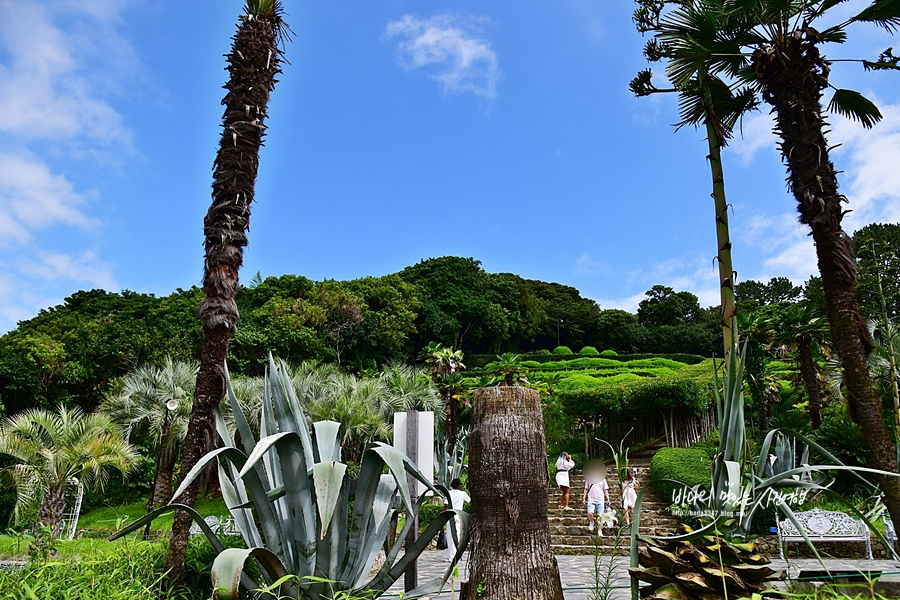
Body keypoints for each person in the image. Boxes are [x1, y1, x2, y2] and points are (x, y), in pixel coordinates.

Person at [445, 478, 470, 562]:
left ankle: (450, 555)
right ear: (459, 485)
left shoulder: (448, 493)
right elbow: (469, 500)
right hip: (458, 515)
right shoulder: (462, 494)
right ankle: (457, 554)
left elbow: (446, 506)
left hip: (449, 515)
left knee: (450, 535)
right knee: (458, 535)